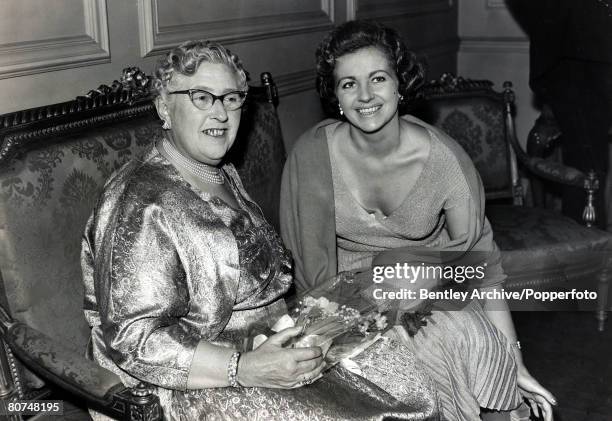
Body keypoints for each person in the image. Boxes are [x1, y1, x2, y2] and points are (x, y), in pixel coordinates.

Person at [81, 40, 439, 420]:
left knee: (395, 368)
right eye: (202, 97)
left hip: (262, 341)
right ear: (164, 108)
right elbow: (133, 341)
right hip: (186, 382)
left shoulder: (218, 172)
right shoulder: (140, 201)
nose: (220, 113)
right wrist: (245, 367)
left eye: (231, 98)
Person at [280, 20, 557, 421]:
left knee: (455, 340)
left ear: (399, 85)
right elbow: (308, 271)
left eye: (378, 78)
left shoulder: (445, 160)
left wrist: (516, 360)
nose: (365, 96)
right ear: (336, 96)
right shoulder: (310, 157)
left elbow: (483, 267)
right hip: (338, 300)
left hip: (430, 290)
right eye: (348, 84)